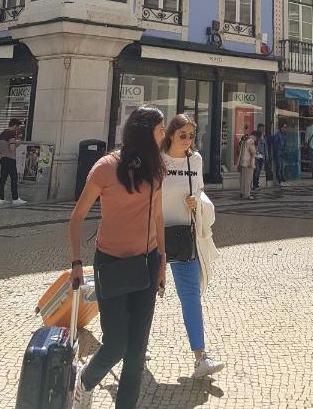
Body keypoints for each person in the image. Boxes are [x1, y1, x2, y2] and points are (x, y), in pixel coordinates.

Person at [69, 107, 166, 409]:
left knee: (137, 351)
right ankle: (85, 380)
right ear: (144, 132)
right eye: (160, 130)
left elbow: (159, 216)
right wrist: (75, 262)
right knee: (116, 344)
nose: (164, 136)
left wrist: (162, 261)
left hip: (147, 263)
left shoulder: (156, 168)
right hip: (110, 262)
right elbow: (77, 217)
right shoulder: (105, 167)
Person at [161, 114, 224, 379]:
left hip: (185, 236)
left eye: (191, 136)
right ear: (171, 134)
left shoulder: (194, 160)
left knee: (190, 297)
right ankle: (135, 348)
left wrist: (196, 203)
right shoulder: (158, 159)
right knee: (144, 297)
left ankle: (200, 357)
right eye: (182, 135)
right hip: (155, 235)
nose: (187, 141)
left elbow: (198, 191)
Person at [0, 118, 26, 206]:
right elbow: (12, 148)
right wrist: (18, 142)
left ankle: (1, 198)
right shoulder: (11, 134)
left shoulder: (2, 134)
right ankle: (15, 198)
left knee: (3, 179)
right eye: (17, 127)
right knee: (14, 178)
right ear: (14, 126)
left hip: (2, 158)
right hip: (10, 159)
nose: (17, 129)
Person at [237, 128, 256, 200]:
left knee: (243, 179)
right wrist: (251, 163)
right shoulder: (251, 141)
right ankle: (247, 194)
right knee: (248, 179)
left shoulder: (243, 141)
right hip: (248, 163)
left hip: (242, 162)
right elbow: (252, 153)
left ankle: (242, 192)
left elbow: (240, 152)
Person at [253, 124, 269, 189]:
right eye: (262, 128)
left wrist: (266, 156)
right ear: (258, 128)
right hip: (256, 156)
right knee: (256, 170)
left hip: (262, 156)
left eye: (263, 128)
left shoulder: (264, 137)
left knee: (259, 171)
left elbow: (266, 147)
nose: (263, 130)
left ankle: (256, 183)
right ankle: (255, 184)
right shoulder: (255, 136)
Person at [273, 122, 288, 186]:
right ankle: (279, 181)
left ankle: (283, 180)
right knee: (279, 167)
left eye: (285, 127)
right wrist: (277, 152)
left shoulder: (284, 135)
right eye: (284, 127)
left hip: (282, 153)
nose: (285, 128)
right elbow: (275, 145)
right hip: (278, 154)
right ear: (281, 128)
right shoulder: (277, 135)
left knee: (282, 168)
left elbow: (284, 144)